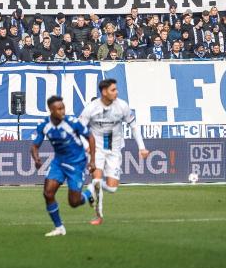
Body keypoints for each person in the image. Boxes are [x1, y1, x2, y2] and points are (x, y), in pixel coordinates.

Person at [78, 79, 149, 225]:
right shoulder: (91, 108)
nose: (116, 92)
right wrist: (85, 145)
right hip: (96, 150)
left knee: (112, 188)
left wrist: (142, 147)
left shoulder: (122, 106)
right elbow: (78, 128)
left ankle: (90, 189)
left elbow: (134, 126)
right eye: (113, 90)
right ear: (104, 92)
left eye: (116, 89)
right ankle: (98, 216)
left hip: (115, 150)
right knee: (97, 179)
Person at [30, 95, 96, 237]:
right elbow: (35, 146)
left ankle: (90, 192)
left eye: (63, 108)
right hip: (58, 163)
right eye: (59, 109)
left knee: (74, 202)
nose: (62, 111)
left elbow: (90, 137)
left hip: (76, 163)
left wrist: (92, 161)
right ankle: (59, 227)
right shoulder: (44, 125)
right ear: (51, 110)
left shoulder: (72, 123)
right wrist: (36, 159)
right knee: (48, 193)